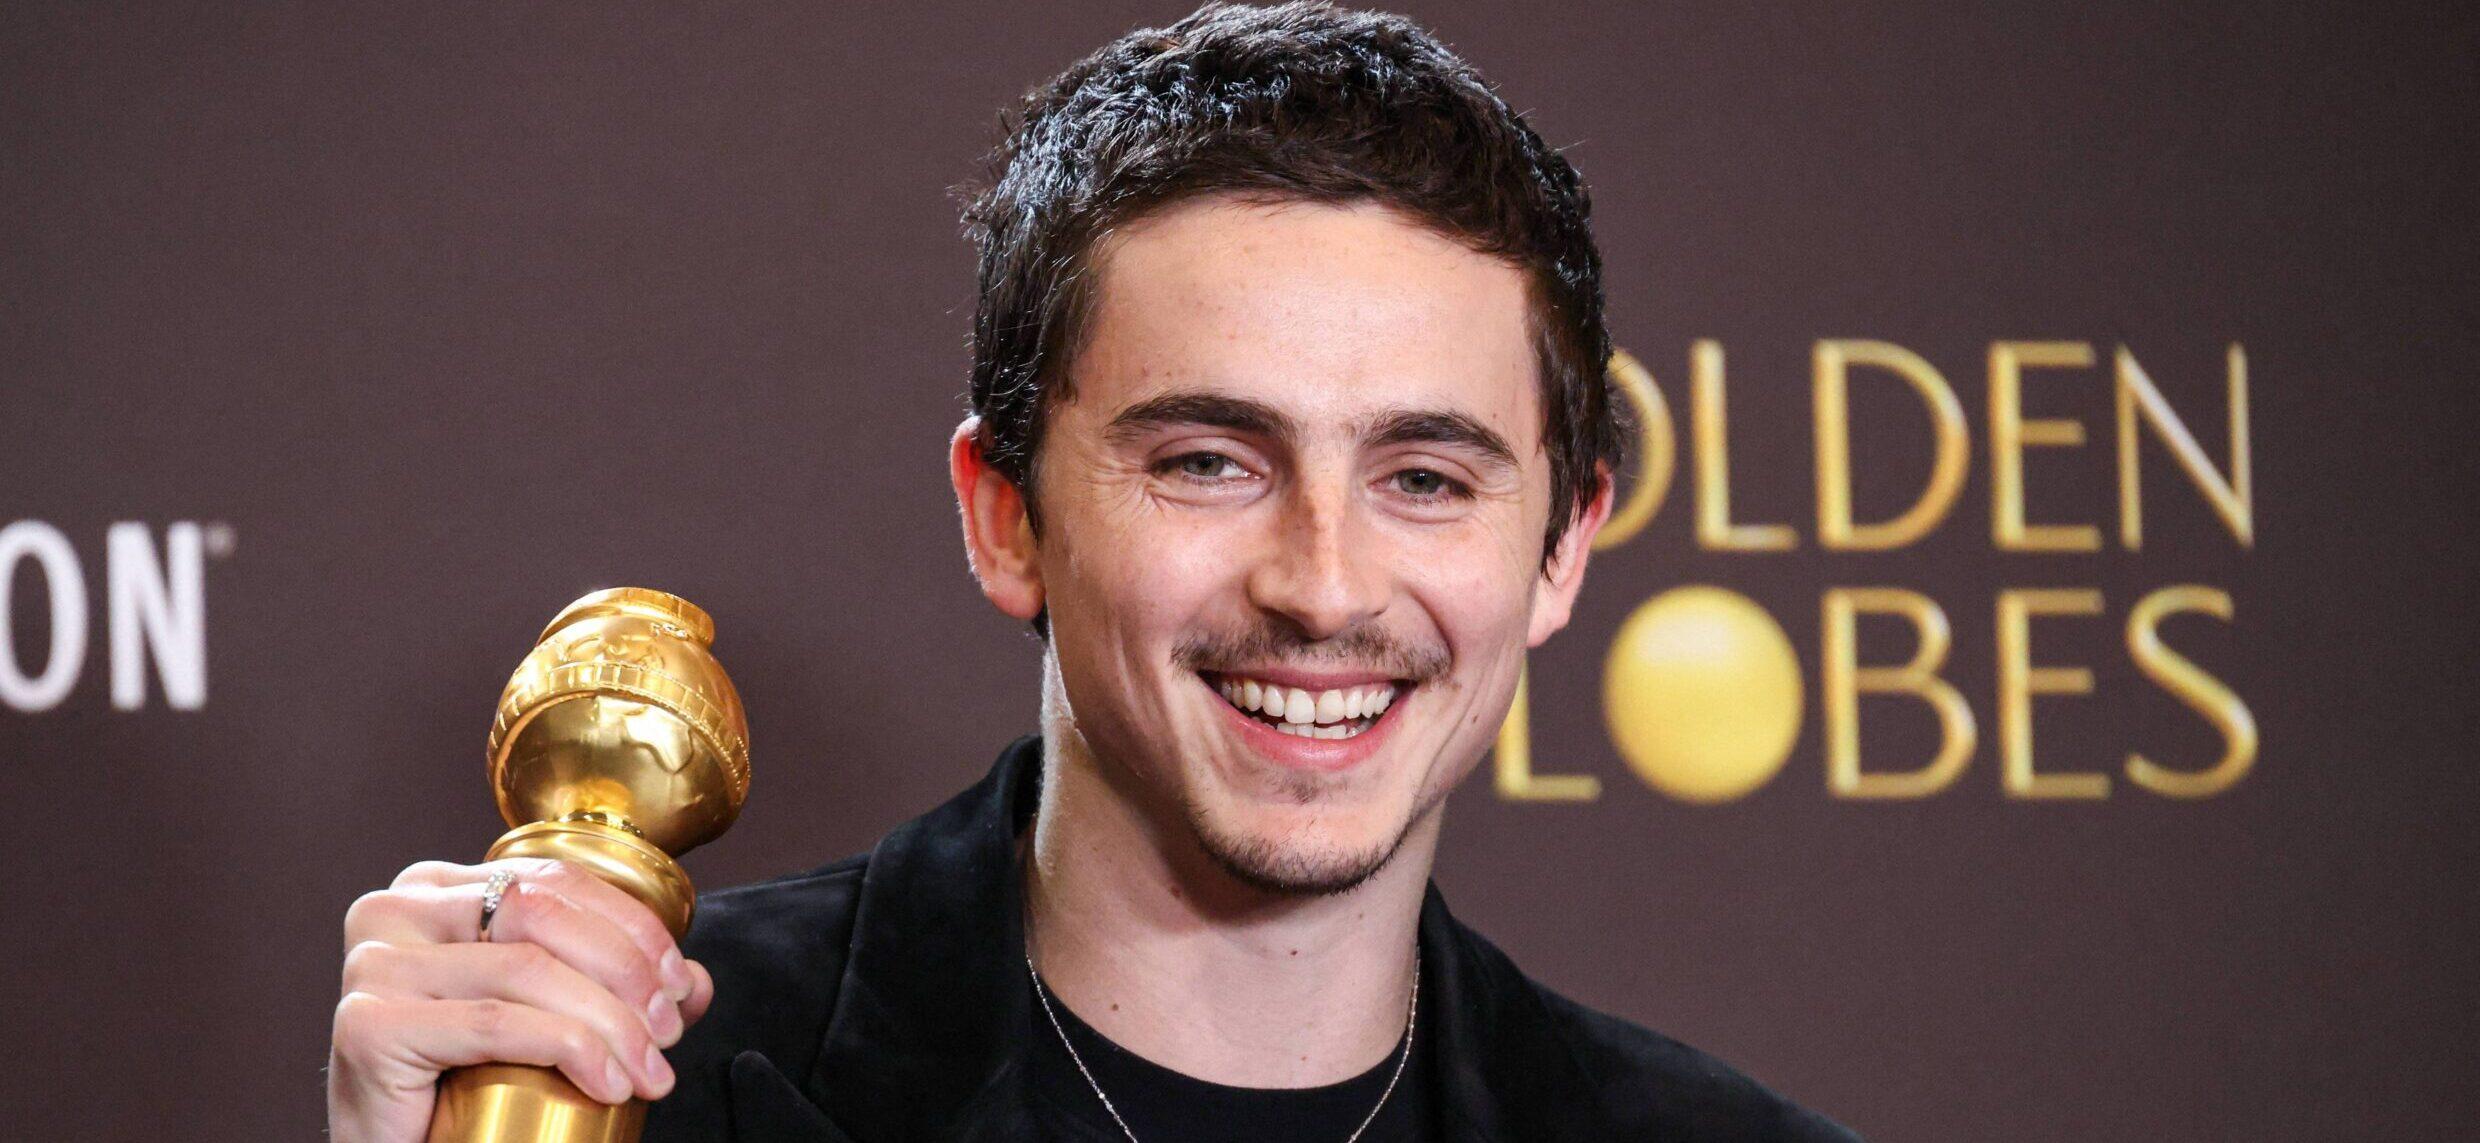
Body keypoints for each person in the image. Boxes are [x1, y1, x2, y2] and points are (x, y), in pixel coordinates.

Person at [326, 3, 1860, 1139]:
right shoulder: (612, 1084)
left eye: (1423, 478)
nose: (1324, 588)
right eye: (1209, 462)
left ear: (1561, 547)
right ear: (1006, 515)